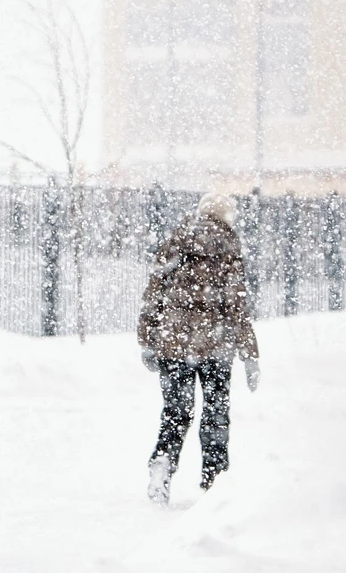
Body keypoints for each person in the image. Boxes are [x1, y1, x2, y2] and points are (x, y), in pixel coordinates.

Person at [137, 192, 261, 505]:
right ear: (226, 216)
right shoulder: (228, 247)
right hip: (214, 346)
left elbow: (154, 293)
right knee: (215, 413)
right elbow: (237, 305)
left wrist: (148, 339)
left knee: (176, 412)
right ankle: (215, 482)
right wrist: (250, 355)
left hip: (173, 342)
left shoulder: (176, 240)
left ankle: (162, 465)